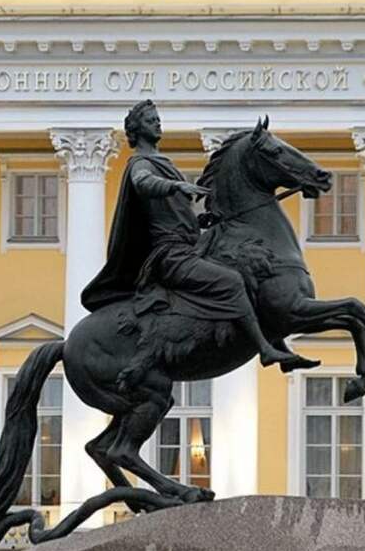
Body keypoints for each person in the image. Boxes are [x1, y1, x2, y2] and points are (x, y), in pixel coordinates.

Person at [81, 99, 317, 371]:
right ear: (136, 129)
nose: (157, 123)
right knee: (231, 281)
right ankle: (265, 349)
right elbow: (143, 183)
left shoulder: (162, 161)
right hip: (171, 256)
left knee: (249, 269)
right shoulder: (140, 163)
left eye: (157, 119)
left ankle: (277, 343)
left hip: (191, 246)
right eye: (150, 120)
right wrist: (174, 186)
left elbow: (174, 215)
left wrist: (201, 220)